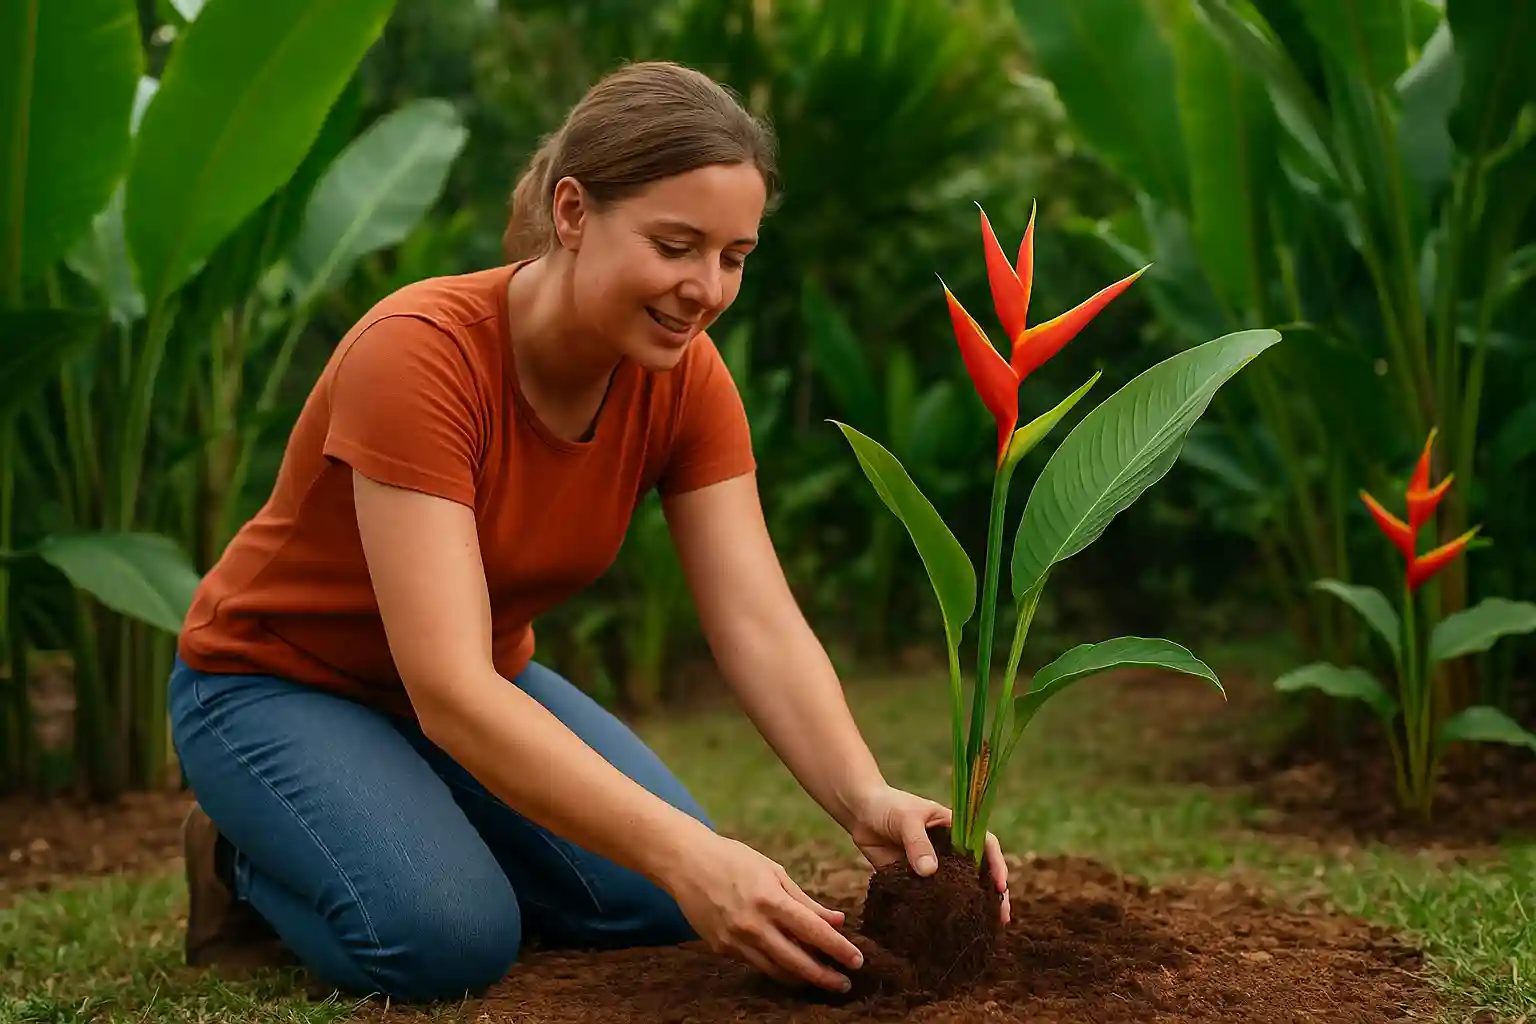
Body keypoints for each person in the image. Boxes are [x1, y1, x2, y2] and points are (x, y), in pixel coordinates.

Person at [169, 59, 1011, 1005]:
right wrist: (690, 853)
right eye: (675, 245)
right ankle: (236, 856)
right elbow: (447, 689)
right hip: (274, 683)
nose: (705, 289)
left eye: (733, 256)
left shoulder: (685, 380)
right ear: (572, 213)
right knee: (449, 938)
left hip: (474, 684)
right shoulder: (420, 356)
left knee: (657, 902)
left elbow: (756, 622)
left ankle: (403, 817)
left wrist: (865, 796)